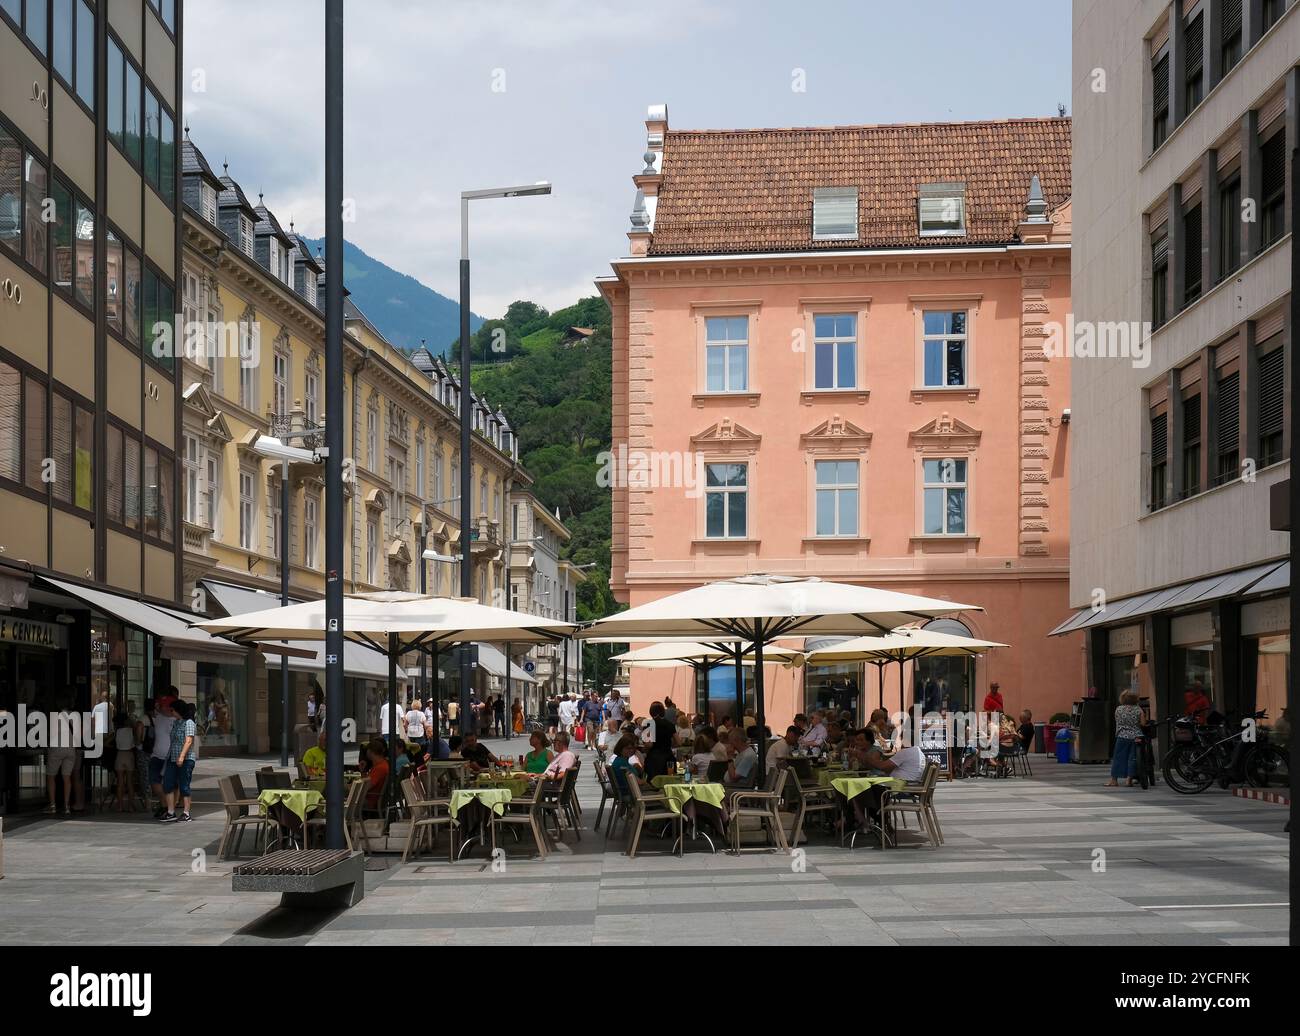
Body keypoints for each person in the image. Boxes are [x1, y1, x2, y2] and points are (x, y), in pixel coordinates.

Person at [160, 700, 198, 823]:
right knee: (168, 783)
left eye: (173, 710)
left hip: (186, 759)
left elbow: (189, 741)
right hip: (172, 757)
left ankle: (186, 813)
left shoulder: (189, 723)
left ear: (179, 710)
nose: (171, 712)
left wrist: (182, 756)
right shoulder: (176, 723)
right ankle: (171, 812)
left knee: (184, 785)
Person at [44, 692, 79, 816]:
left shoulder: (56, 716)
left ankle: (53, 805)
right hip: (71, 749)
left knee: (51, 776)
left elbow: (53, 734)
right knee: (67, 777)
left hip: (57, 747)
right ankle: (66, 806)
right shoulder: (74, 716)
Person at [1105, 690, 1144, 787]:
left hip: (1122, 736)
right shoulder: (1138, 710)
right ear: (1136, 699)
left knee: (1118, 757)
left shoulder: (1118, 709)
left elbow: (1117, 720)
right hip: (1136, 736)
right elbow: (1143, 723)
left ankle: (1114, 780)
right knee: (1133, 758)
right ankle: (1129, 780)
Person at [148, 693, 177, 819]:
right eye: (161, 705)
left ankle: (168, 807)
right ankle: (165, 805)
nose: (162, 707)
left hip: (170, 756)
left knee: (170, 784)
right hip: (156, 755)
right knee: (154, 781)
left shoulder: (177, 721)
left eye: (164, 705)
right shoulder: (157, 717)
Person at [642, 701, 677, 779]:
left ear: (651, 711)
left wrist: (643, 748)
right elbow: (679, 742)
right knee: (669, 781)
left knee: (655, 783)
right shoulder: (670, 724)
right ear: (663, 711)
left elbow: (649, 744)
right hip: (668, 757)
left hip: (654, 759)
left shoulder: (648, 724)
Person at [111, 712, 137, 812]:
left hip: (120, 755)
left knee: (120, 782)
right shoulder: (132, 730)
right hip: (129, 754)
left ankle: (120, 806)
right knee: (130, 782)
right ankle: (130, 806)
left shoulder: (117, 731)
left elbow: (109, 742)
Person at [363, 738, 389, 811]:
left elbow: (364, 787)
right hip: (373, 799)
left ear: (371, 752)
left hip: (369, 801)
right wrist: (363, 771)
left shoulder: (379, 769)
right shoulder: (383, 764)